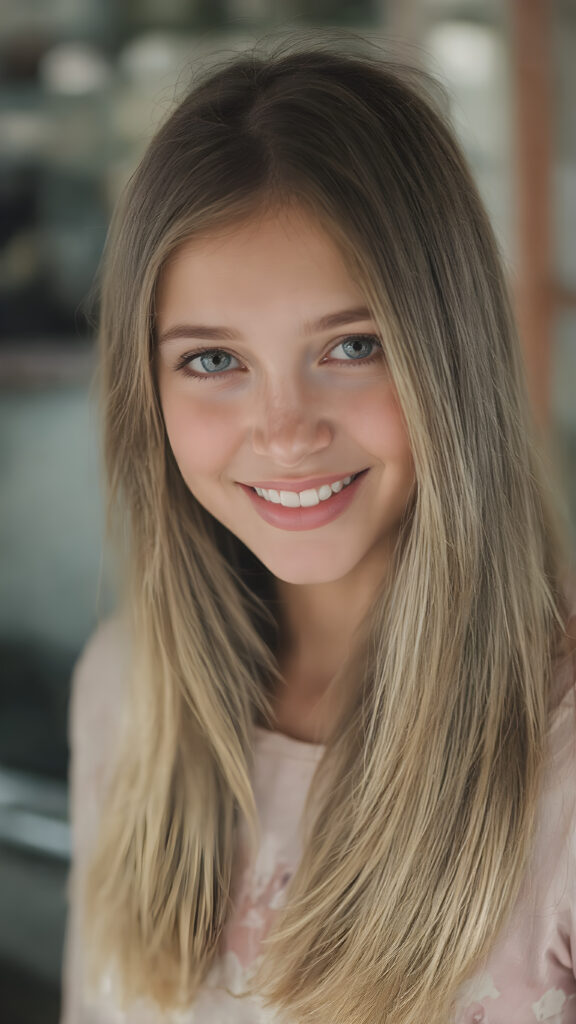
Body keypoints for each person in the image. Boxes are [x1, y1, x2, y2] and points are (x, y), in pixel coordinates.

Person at [61, 42, 576, 1024]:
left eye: (351, 345)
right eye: (214, 359)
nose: (286, 430)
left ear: (450, 354)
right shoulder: (126, 692)